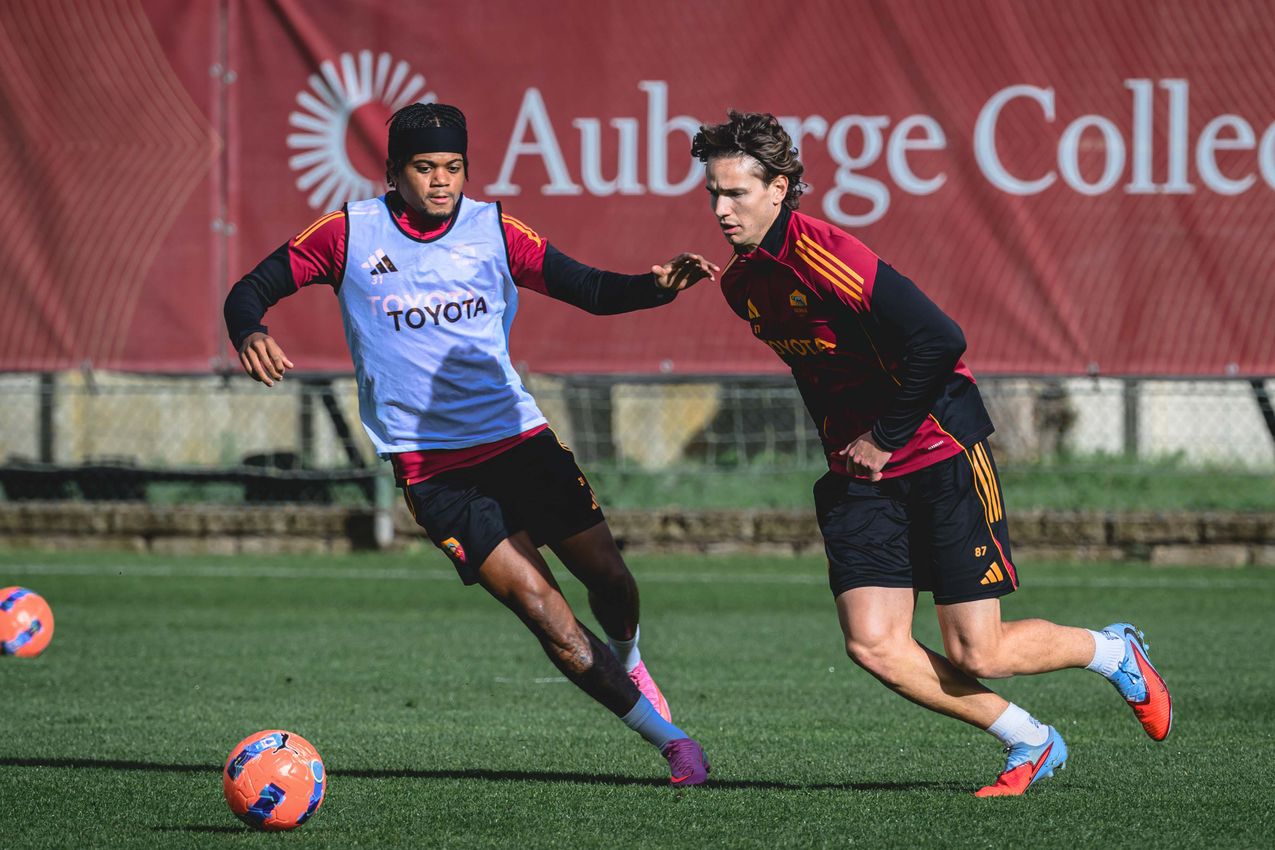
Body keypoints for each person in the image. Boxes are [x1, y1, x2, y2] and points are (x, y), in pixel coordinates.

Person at [224, 102, 717, 786]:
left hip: (519, 443)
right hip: (435, 474)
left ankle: (630, 660)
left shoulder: (495, 229)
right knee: (546, 614)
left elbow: (588, 288)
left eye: (453, 167)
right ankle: (673, 743)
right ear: (392, 172)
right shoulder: (348, 233)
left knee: (609, 578)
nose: (441, 181)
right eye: (425, 168)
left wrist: (654, 290)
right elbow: (250, 289)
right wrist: (250, 331)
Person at [690, 110, 1172, 796]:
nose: (720, 208)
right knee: (873, 644)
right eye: (713, 192)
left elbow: (940, 340)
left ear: (779, 188)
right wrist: (852, 449)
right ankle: (1030, 740)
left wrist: (885, 437)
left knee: (980, 651)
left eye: (735, 192)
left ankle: (1112, 650)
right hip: (860, 475)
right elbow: (822, 373)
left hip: (938, 453)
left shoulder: (826, 253)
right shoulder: (741, 283)